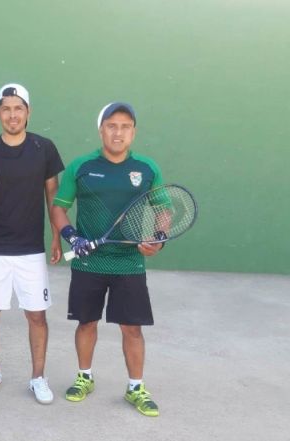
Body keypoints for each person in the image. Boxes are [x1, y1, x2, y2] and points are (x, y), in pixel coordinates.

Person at [51, 102, 163, 416]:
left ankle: (136, 387)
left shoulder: (147, 168)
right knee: (86, 322)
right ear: (101, 130)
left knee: (132, 328)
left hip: (129, 264)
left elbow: (163, 209)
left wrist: (159, 238)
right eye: (112, 126)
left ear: (133, 132)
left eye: (125, 127)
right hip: (89, 263)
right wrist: (72, 237)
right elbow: (59, 208)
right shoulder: (81, 167)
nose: (118, 132)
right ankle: (84, 377)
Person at [0, 83, 64, 404]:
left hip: (31, 252)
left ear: (28, 112)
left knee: (37, 316)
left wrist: (56, 237)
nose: (13, 115)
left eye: (18, 108)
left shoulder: (44, 148)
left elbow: (54, 197)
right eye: (6, 109)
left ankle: (38, 378)